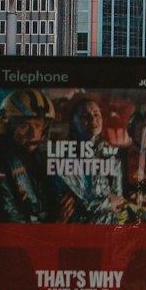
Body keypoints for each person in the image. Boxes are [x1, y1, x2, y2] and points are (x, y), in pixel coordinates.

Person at [0, 88, 60, 223]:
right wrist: (54, 226)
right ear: (7, 126)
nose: (34, 134)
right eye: (24, 126)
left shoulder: (40, 156)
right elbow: (9, 217)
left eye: (38, 125)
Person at [56, 96, 126, 224]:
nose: (93, 119)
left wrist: (110, 203)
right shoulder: (66, 155)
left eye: (96, 114)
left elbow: (119, 201)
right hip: (80, 230)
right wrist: (108, 202)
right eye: (84, 116)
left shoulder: (111, 153)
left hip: (108, 229)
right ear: (73, 122)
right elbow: (82, 203)